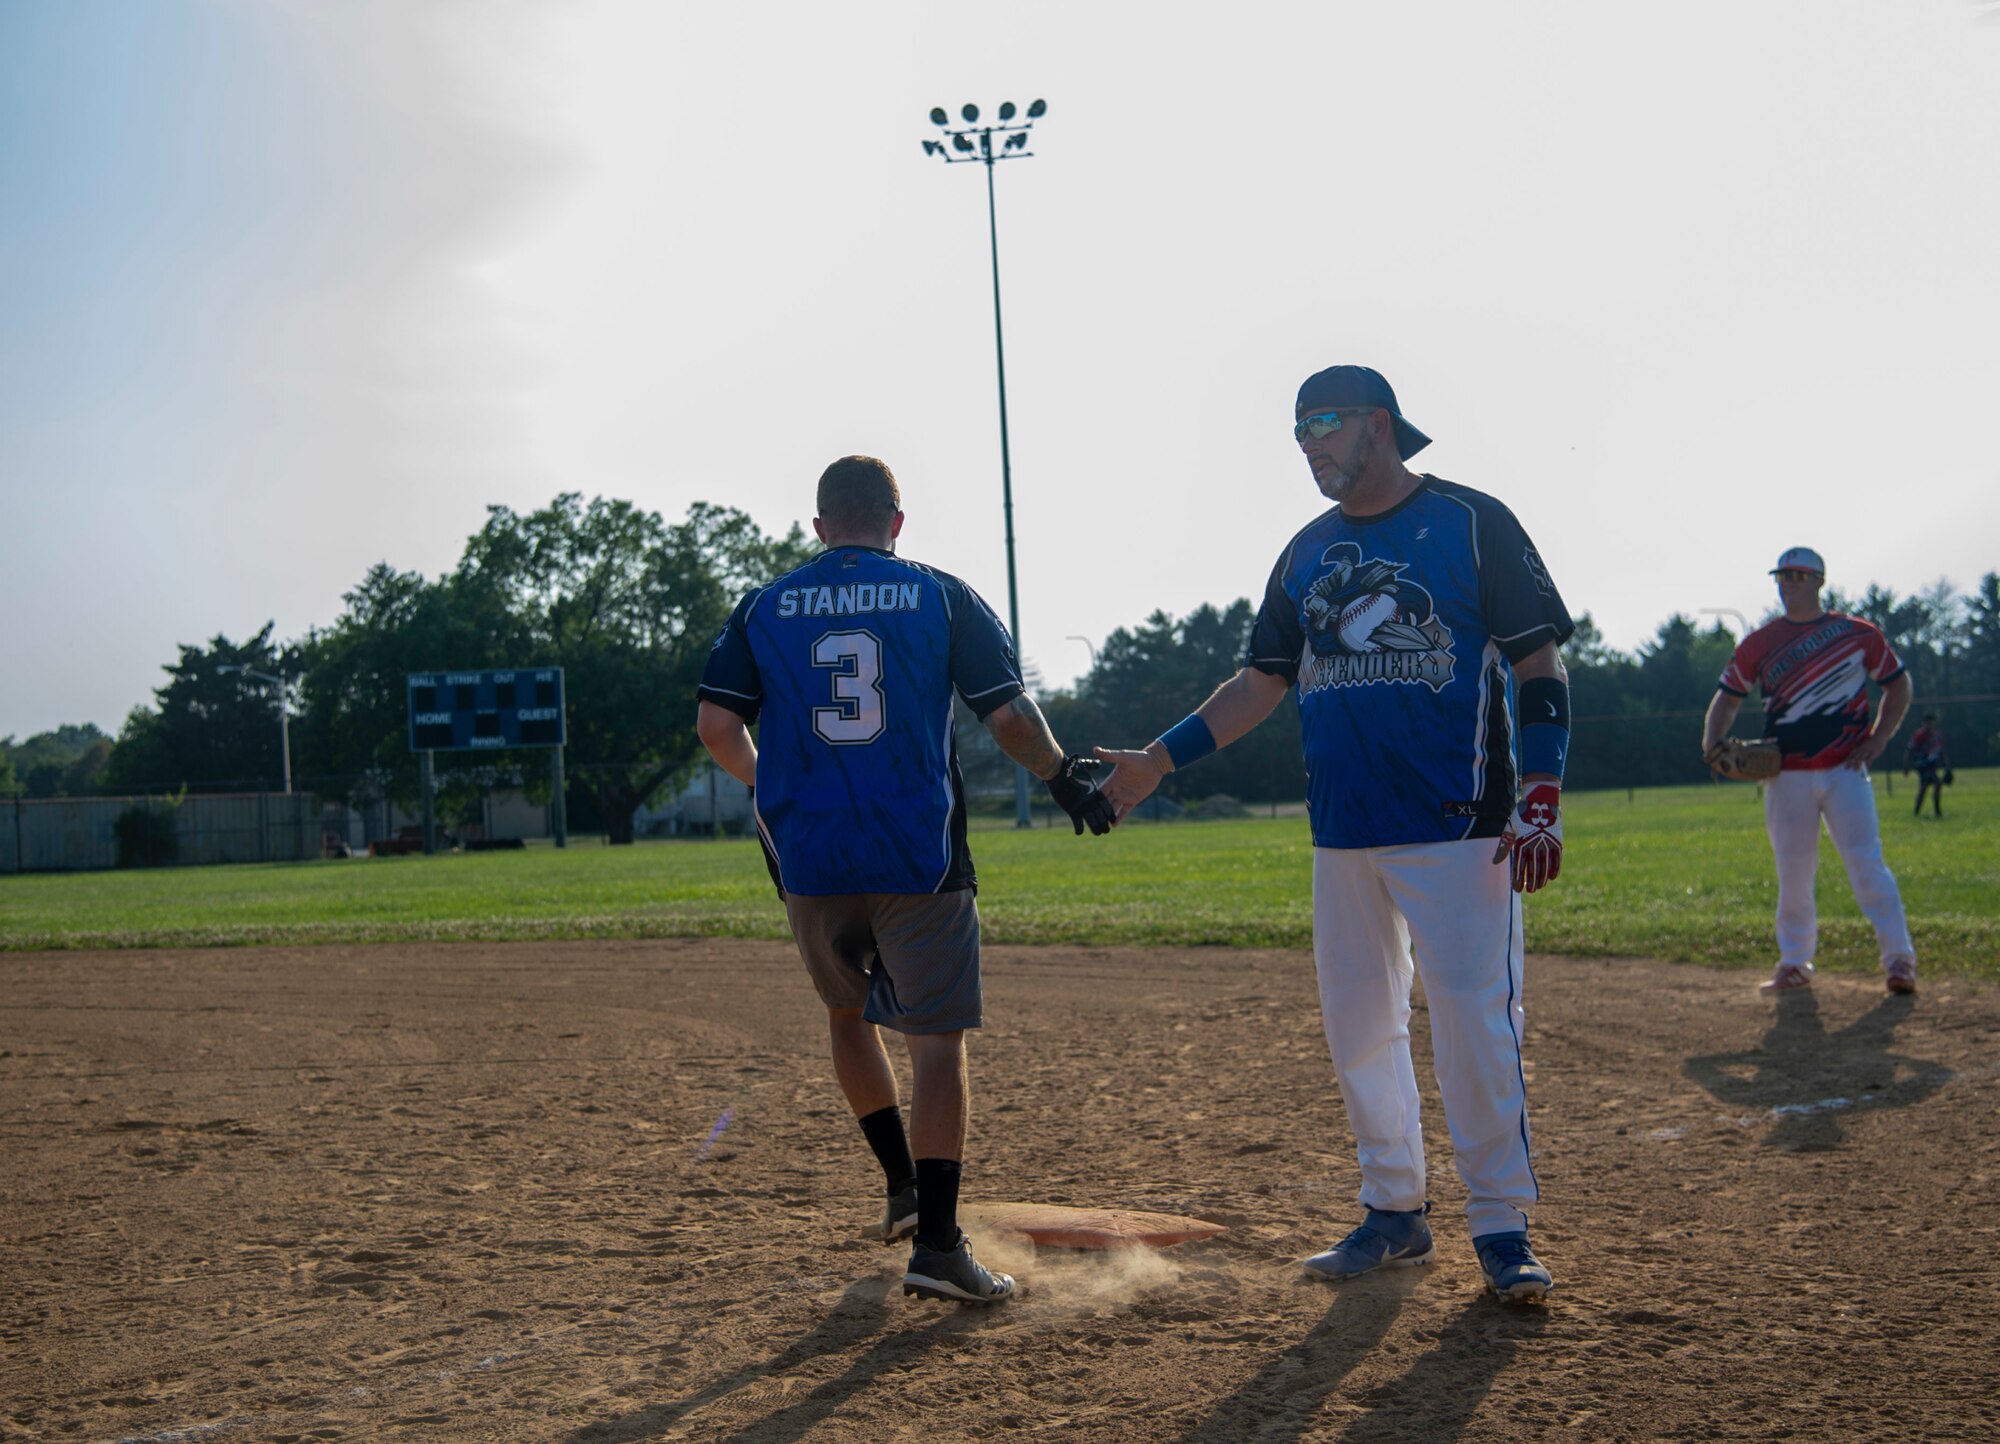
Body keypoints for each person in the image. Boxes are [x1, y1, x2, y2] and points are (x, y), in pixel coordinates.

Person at [1097, 366, 1573, 1305]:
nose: (1309, 444)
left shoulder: (1475, 523)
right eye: (1298, 430)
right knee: (1361, 1028)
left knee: (1477, 1029)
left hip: (1460, 826)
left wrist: (1545, 791)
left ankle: (1501, 1226)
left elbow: (1539, 662)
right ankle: (1395, 1211)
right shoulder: (1306, 552)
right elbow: (1261, 681)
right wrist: (1158, 759)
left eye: (1324, 423)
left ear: (1379, 423)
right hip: (1344, 832)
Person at [696, 455, 1114, 1306]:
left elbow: (715, 723)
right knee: (936, 1043)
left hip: (809, 857)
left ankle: (900, 1188)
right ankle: (938, 1244)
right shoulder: (937, 593)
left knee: (847, 1014)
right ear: (896, 521)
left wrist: (766, 783)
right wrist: (1064, 776)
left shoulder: (764, 604)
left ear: (819, 528)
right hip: (914, 852)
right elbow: (1009, 715)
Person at [1700, 547, 1917, 995]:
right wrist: (1711, 740)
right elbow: (1727, 696)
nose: (1789, 582)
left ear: (1820, 581)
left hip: (1844, 768)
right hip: (1788, 772)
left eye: (1799, 575)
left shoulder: (1856, 633)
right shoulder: (1760, 642)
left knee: (1866, 864)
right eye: (1782, 575)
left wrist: (1879, 738)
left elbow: (1898, 685)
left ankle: (1899, 961)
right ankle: (1795, 962)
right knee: (1793, 871)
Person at [1906, 713, 1947, 819]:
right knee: (1935, 784)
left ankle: (1918, 811)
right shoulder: (1918, 735)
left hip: (1932, 765)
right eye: (1927, 723)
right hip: (1922, 764)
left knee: (1925, 787)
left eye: (1931, 723)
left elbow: (1941, 752)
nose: (1929, 725)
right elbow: (1910, 751)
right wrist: (1906, 766)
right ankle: (1937, 811)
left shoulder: (1937, 736)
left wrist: (1947, 766)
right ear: (1923, 723)